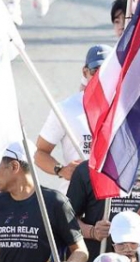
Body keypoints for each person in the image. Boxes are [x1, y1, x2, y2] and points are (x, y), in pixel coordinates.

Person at [34, 44, 109, 181]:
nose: (100, 76)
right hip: (78, 197)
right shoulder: (66, 109)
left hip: (115, 199)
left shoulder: (126, 109)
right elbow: (39, 153)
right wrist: (60, 170)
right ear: (85, 72)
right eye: (95, 70)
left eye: (107, 71)